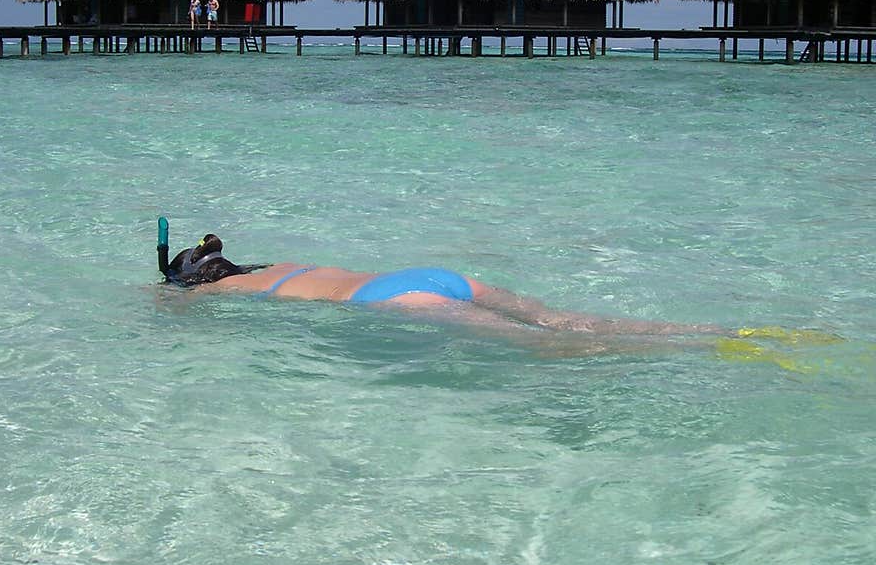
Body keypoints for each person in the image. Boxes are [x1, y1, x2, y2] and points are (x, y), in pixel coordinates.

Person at [164, 233, 730, 351]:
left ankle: (690, 352)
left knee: (548, 348)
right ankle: (711, 331)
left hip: (390, 300)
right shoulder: (280, 263)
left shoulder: (229, 290)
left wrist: (166, 292)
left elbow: (174, 306)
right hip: (428, 273)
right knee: (561, 319)